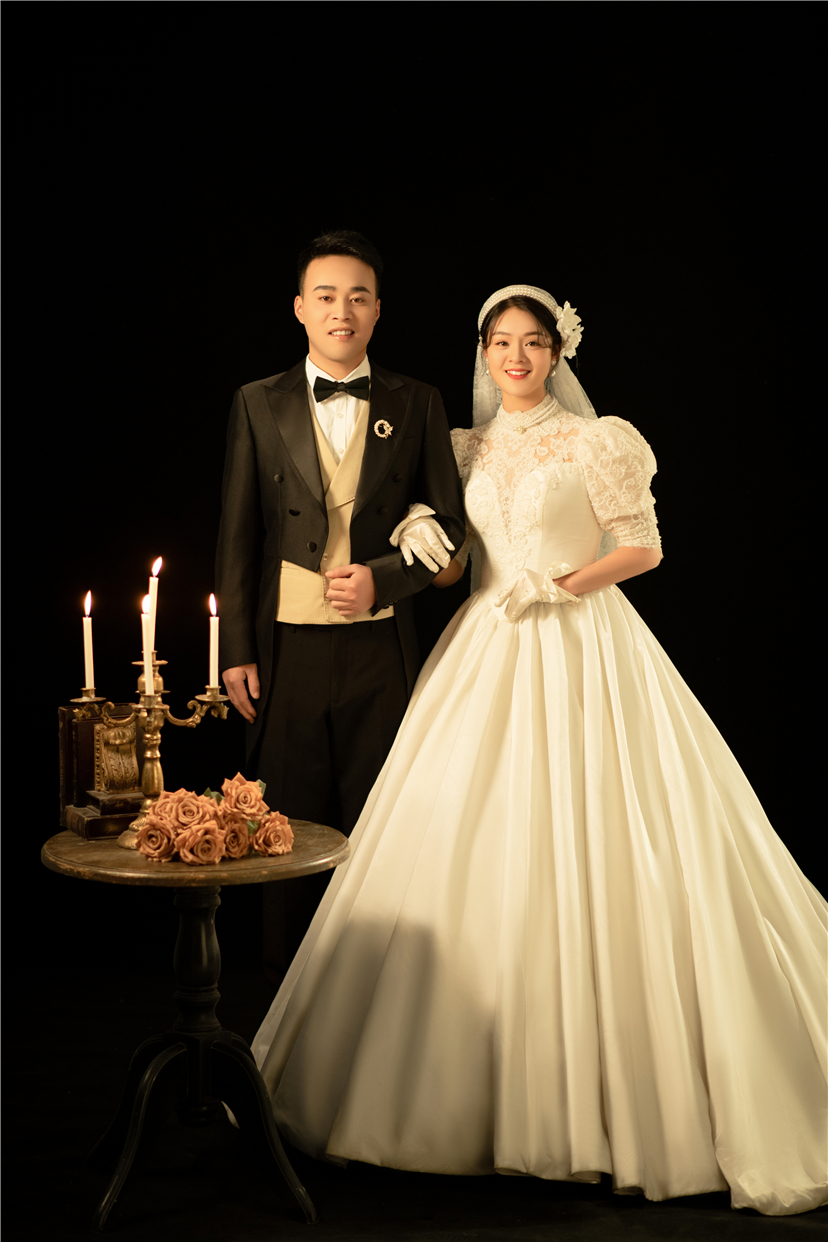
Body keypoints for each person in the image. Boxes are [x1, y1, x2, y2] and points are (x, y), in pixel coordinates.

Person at [248, 285, 827, 1216]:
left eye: (532, 343)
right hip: (483, 645)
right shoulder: (461, 447)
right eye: (501, 344)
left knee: (610, 838)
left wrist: (562, 586)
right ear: (483, 353)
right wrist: (418, 532)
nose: (515, 358)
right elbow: (446, 553)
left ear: (558, 353)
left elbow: (643, 547)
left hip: (582, 640)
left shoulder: (599, 441)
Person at [215, 231, 466, 978]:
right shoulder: (256, 402)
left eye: (358, 297)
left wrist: (384, 579)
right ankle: (283, 1002)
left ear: (378, 309)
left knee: (380, 823)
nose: (342, 311)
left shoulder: (418, 401)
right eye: (326, 296)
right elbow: (237, 536)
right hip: (286, 647)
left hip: (380, 651)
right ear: (299, 307)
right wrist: (236, 650)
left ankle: (375, 998)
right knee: (285, 829)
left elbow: (453, 530)